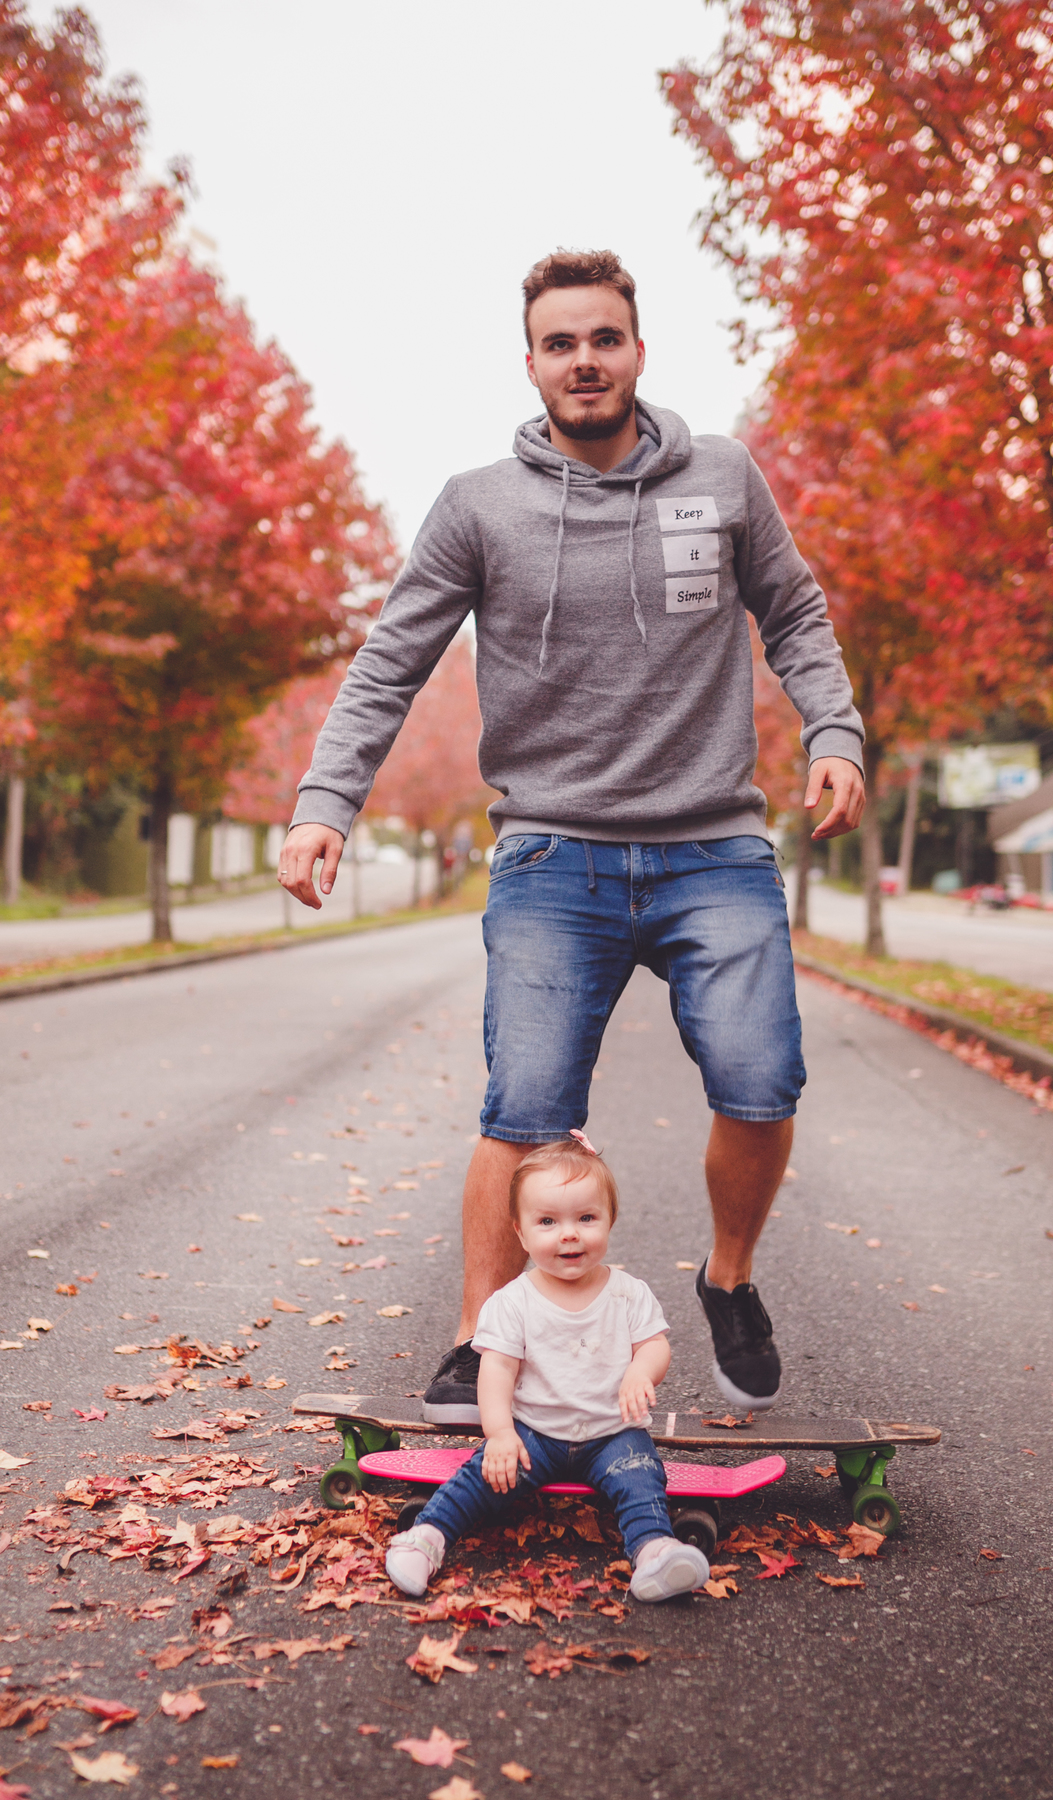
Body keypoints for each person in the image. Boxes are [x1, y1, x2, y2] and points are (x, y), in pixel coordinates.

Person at [279, 248, 865, 1425]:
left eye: (604, 338)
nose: (584, 360)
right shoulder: (480, 506)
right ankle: (473, 1342)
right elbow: (390, 660)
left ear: (638, 351)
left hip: (715, 846)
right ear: (533, 363)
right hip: (554, 853)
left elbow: (793, 611)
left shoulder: (725, 479)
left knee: (761, 1080)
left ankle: (729, 1279)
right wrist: (322, 804)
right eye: (561, 343)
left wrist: (833, 731)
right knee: (527, 1106)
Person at [384, 1134, 710, 1603]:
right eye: (548, 1221)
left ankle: (655, 1552)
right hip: (534, 1431)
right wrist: (499, 1433)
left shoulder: (628, 1293)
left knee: (640, 1478)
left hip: (612, 1431)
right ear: (520, 1232)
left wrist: (642, 1372)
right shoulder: (512, 1302)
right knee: (482, 1477)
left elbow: (654, 1346)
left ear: (610, 1220)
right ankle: (427, 1537)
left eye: (586, 1218)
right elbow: (495, 1374)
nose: (569, 1233)